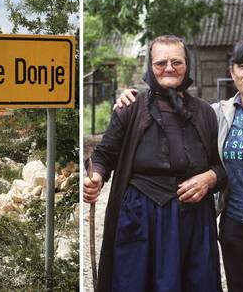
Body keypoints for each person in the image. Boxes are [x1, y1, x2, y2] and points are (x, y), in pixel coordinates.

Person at [115, 38, 243, 292]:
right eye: (242, 66)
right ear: (232, 73)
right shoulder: (218, 114)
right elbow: (187, 132)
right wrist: (128, 99)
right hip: (233, 225)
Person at [84, 35, 226, 292]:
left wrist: (210, 178)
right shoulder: (130, 108)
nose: (169, 68)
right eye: (161, 63)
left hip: (192, 221)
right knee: (135, 283)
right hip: (141, 216)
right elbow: (104, 155)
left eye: (176, 62)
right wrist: (96, 177)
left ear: (187, 65)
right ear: (150, 66)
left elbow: (222, 166)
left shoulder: (205, 112)